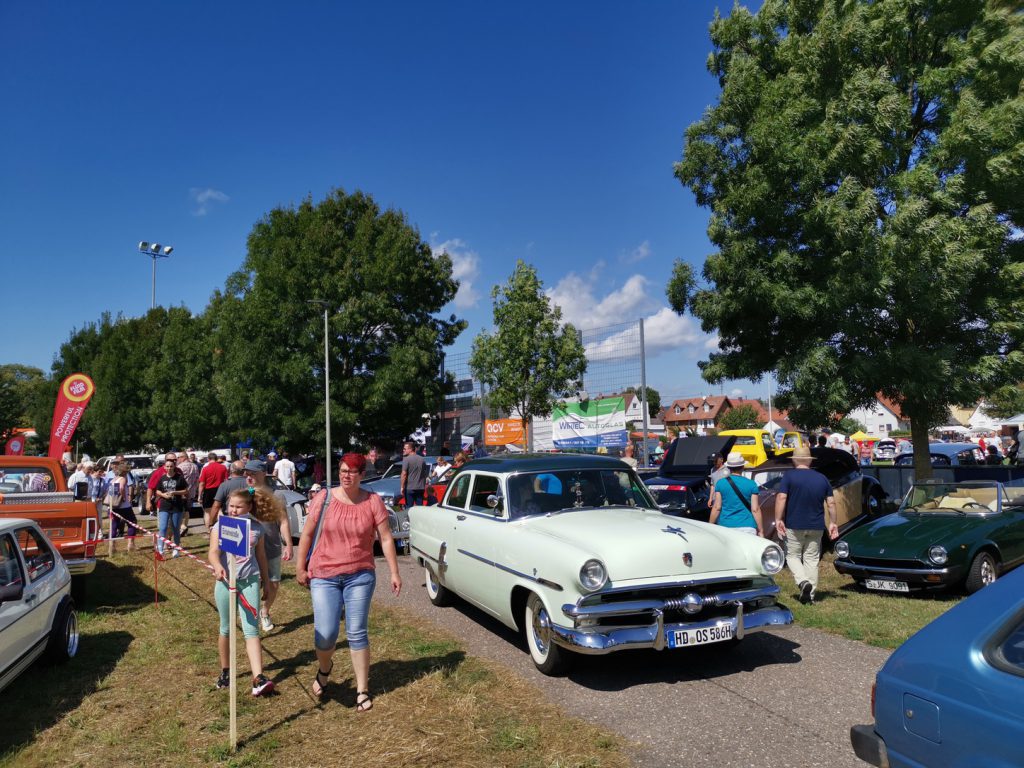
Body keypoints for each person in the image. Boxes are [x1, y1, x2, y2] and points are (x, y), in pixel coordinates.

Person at [296, 453, 402, 711]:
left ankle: (362, 690)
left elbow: (386, 538)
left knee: (357, 632)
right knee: (326, 635)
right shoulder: (325, 498)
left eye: (352, 471)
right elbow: (307, 534)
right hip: (324, 574)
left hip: (360, 575)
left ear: (362, 475)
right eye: (343, 470)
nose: (346, 475)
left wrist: (394, 572)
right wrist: (300, 566)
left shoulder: (372, 501)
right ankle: (324, 669)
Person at [208, 487, 275, 696]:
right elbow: (212, 552)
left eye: (238, 507)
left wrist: (266, 581)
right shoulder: (221, 526)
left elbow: (261, 556)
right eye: (231, 506)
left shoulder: (256, 529)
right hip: (226, 582)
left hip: (250, 582)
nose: (233, 510)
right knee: (226, 628)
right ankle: (226, 670)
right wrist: (218, 566)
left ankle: (258, 677)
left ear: (249, 507)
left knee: (251, 629)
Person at [775, 445, 837, 605]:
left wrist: (778, 518)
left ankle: (803, 582)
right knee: (811, 558)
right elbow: (831, 502)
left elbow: (781, 498)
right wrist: (833, 523)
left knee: (792, 556)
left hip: (794, 524)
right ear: (809, 460)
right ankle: (810, 596)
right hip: (816, 525)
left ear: (795, 460)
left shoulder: (789, 476)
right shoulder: (822, 478)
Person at [243, 459, 293, 631]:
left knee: (273, 583)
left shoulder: (277, 495)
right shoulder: (245, 494)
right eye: (246, 473)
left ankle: (265, 612)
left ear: (263, 474)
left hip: (271, 546)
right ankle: (251, 616)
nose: (248, 477)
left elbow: (284, 522)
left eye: (253, 473)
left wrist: (289, 544)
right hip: (250, 549)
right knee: (252, 583)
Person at [709, 452, 762, 536]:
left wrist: (710, 526)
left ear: (729, 467)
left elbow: (717, 507)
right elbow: (755, 509)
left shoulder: (720, 483)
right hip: (747, 526)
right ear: (743, 467)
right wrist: (761, 530)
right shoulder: (752, 484)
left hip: (726, 526)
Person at [154, 457, 188, 558]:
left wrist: (174, 492)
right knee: (163, 527)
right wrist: (164, 495)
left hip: (177, 506)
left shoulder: (179, 478)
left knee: (175, 528)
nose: (169, 468)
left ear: (174, 467)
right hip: (164, 506)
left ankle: (176, 548)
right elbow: (157, 490)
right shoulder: (163, 478)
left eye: (171, 466)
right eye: (167, 466)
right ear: (164, 467)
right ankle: (160, 548)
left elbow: (186, 490)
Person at [107, 462, 137, 552]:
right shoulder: (123, 479)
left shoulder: (113, 480)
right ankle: (130, 544)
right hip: (124, 507)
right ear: (125, 471)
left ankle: (112, 547)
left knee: (114, 525)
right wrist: (124, 497)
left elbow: (110, 492)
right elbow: (121, 488)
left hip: (113, 506)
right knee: (132, 523)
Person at [198, 453, 229, 534]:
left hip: (208, 491)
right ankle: (223, 529)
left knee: (207, 512)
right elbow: (226, 480)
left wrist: (199, 495)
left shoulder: (205, 468)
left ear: (208, 459)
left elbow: (202, 483)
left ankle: (209, 531)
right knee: (219, 510)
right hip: (220, 489)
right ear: (216, 458)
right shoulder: (223, 467)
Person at [211, 460, 248, 525]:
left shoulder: (224, 485)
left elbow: (216, 506)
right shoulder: (250, 485)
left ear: (231, 470)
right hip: (246, 518)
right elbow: (253, 496)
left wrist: (211, 523)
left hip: (229, 518)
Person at [177, 451, 201, 537]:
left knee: (180, 511)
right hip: (191, 492)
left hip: (181, 492)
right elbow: (197, 480)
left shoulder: (179, 467)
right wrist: (195, 489)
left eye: (179, 457)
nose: (178, 459)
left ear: (184, 457)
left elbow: (178, 481)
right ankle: (185, 526)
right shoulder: (195, 466)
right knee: (187, 510)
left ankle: (181, 528)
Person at [400, 440, 426, 508]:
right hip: (420, 487)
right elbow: (424, 473)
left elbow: (404, 474)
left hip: (410, 487)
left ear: (411, 449)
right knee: (420, 508)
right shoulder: (422, 459)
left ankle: (410, 518)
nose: (403, 450)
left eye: (405, 449)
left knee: (409, 508)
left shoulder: (406, 459)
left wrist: (402, 487)